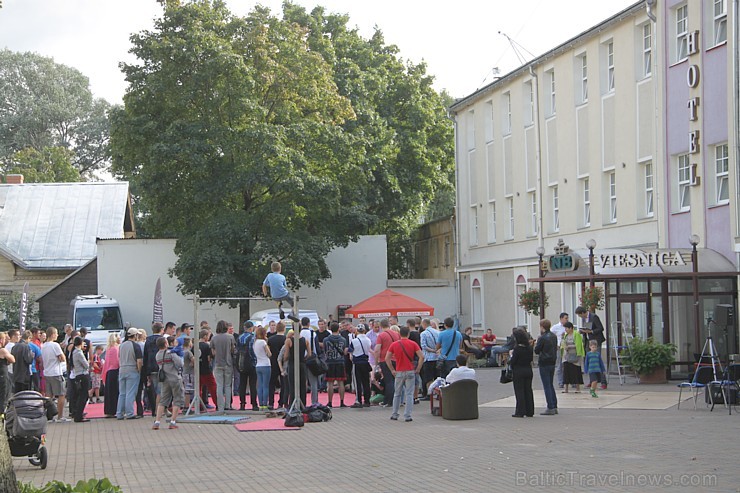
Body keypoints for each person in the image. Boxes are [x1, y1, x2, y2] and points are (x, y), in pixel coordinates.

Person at [386, 325, 424, 422]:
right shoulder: (413, 344)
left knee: (397, 394)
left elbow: (387, 358)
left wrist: (392, 370)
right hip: (410, 370)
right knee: (410, 394)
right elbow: (421, 356)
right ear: (408, 334)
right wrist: (418, 368)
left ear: (399, 334)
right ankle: (408, 415)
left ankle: (395, 414)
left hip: (399, 371)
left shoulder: (394, 344)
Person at [152, 337, 184, 430]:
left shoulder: (157, 355)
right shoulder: (171, 353)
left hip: (164, 380)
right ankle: (173, 422)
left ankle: (157, 422)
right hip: (174, 378)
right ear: (166, 344)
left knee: (163, 401)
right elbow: (180, 364)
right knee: (177, 400)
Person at [575, 306, 606, 389]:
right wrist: (582, 331)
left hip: (596, 342)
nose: (580, 317)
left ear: (583, 313)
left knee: (597, 360)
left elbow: (600, 328)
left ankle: (603, 382)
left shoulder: (594, 317)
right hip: (588, 341)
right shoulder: (584, 319)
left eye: (580, 315)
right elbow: (586, 328)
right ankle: (592, 381)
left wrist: (591, 331)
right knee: (588, 361)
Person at [117, 327, 143, 420]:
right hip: (132, 369)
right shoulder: (136, 346)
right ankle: (130, 413)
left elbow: (119, 357)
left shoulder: (122, 345)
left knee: (122, 393)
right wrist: (139, 370)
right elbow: (139, 361)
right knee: (130, 392)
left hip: (122, 368)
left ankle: (119, 413)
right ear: (135, 335)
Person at [534, 319, 558, 416]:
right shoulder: (553, 336)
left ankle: (550, 407)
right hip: (552, 361)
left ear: (542, 327)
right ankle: (554, 405)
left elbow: (537, 350)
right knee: (550, 384)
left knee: (546, 385)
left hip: (544, 362)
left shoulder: (542, 338)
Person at [373, 318, 399, 406]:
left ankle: (389, 401)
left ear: (380, 326)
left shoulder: (381, 335)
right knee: (395, 380)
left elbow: (377, 349)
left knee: (388, 381)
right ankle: (394, 400)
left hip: (385, 360)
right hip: (396, 359)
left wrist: (377, 361)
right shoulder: (396, 334)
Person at [211, 320, 236, 412]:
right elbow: (233, 349)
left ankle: (220, 406)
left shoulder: (214, 338)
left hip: (218, 363)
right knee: (228, 385)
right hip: (228, 363)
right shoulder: (230, 337)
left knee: (219, 385)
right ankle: (228, 405)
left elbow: (213, 352)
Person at [509, 328, 534, 418]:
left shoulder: (517, 349)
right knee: (528, 390)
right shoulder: (529, 348)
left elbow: (513, 362)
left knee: (519, 391)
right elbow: (531, 359)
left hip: (519, 371)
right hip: (528, 370)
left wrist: (511, 355)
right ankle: (530, 410)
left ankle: (520, 411)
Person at [284, 328, 311, 408]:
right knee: (303, 386)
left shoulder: (289, 341)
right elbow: (309, 354)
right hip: (302, 364)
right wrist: (304, 358)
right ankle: (303, 405)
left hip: (292, 364)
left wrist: (286, 359)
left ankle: (292, 405)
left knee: (292, 386)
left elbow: (286, 355)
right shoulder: (305, 340)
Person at [324, 322, 348, 408]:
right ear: (338, 329)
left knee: (330, 383)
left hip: (330, 362)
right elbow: (344, 351)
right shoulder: (343, 340)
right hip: (340, 362)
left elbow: (325, 350)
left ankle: (330, 402)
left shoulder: (326, 340)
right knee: (340, 382)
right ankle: (342, 402)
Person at [349, 324, 372, 408]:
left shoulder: (354, 341)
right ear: (365, 331)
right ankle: (367, 400)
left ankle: (358, 400)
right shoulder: (368, 340)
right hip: (365, 362)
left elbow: (350, 351)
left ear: (357, 331)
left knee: (357, 382)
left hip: (357, 362)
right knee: (366, 382)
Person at [299, 318, 321, 406]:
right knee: (313, 383)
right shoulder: (313, 333)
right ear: (309, 323)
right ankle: (314, 402)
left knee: (301, 382)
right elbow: (317, 349)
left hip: (301, 360)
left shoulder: (298, 334)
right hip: (312, 360)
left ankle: (302, 402)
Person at [237, 322, 258, 411]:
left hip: (241, 362)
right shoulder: (252, 337)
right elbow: (251, 350)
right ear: (251, 328)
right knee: (253, 384)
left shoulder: (239, 337)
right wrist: (254, 360)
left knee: (242, 384)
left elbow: (237, 349)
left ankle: (242, 404)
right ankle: (254, 404)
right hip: (250, 363)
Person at [69, 336, 91, 422]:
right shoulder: (79, 352)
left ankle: (77, 414)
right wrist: (88, 362)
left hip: (77, 374)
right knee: (83, 396)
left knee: (80, 395)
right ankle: (79, 415)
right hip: (82, 374)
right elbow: (86, 365)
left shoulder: (73, 352)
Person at [267, 321, 286, 410]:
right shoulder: (286, 339)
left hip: (273, 362)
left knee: (271, 383)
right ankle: (281, 402)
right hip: (283, 363)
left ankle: (271, 402)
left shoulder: (270, 339)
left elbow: (269, 352)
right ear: (284, 329)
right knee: (284, 384)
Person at [419, 318, 439, 400]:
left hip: (428, 358)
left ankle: (429, 394)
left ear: (423, 324)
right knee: (437, 377)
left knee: (428, 377)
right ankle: (438, 394)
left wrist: (432, 350)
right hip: (437, 357)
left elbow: (424, 346)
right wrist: (437, 350)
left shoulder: (423, 333)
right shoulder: (438, 332)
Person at [561, 322, 584, 393]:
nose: (565, 330)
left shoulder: (576, 334)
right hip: (567, 356)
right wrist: (563, 346)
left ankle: (578, 388)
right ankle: (566, 388)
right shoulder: (566, 335)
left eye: (566, 328)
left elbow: (578, 344)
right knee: (566, 372)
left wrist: (569, 347)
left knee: (576, 371)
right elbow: (563, 343)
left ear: (571, 328)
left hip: (575, 355)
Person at [198, 329, 218, 410]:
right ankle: (218, 404)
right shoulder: (207, 346)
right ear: (205, 336)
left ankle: (199, 405)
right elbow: (209, 358)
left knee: (198, 389)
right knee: (213, 387)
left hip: (198, 370)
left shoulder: (194, 346)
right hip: (206, 370)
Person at [102, 332, 120, 418]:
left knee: (109, 392)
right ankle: (114, 410)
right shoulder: (116, 349)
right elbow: (117, 361)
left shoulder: (108, 349)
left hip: (108, 372)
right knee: (114, 392)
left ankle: (108, 410)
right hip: (115, 371)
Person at [253, 325, 272, 411]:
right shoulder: (263, 342)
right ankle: (265, 404)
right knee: (266, 386)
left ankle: (260, 405)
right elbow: (269, 354)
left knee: (259, 386)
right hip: (266, 364)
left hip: (258, 365)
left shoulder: (255, 342)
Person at [0, 332, 16, 418]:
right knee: (4, 396)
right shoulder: (2, 350)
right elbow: (12, 359)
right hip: (3, 376)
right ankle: (2, 415)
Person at [551, 313, 568, 388]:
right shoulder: (555, 327)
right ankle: (560, 381)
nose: (567, 320)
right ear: (561, 319)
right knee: (559, 365)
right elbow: (550, 334)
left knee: (567, 365)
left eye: (567, 318)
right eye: (565, 318)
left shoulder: (568, 327)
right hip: (559, 347)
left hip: (567, 348)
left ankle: (568, 381)